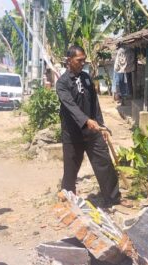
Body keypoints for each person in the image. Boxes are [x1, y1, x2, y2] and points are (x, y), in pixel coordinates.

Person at [56, 45, 121, 208]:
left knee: (104, 162)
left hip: (93, 132)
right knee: (71, 169)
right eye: (79, 60)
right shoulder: (62, 83)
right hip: (73, 134)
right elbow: (70, 106)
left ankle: (113, 199)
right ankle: (68, 198)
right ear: (69, 60)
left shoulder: (86, 78)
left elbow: (94, 104)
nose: (83, 63)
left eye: (84, 60)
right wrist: (86, 121)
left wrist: (101, 126)